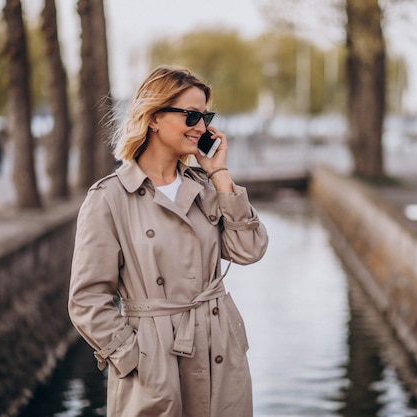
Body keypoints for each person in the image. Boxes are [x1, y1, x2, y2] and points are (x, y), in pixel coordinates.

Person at [68, 65, 269, 417]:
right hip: (154, 361)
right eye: (192, 115)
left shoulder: (207, 188)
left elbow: (248, 251)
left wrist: (220, 174)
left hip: (218, 350)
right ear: (154, 117)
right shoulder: (110, 198)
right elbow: (87, 299)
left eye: (206, 116)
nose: (202, 128)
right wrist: (134, 357)